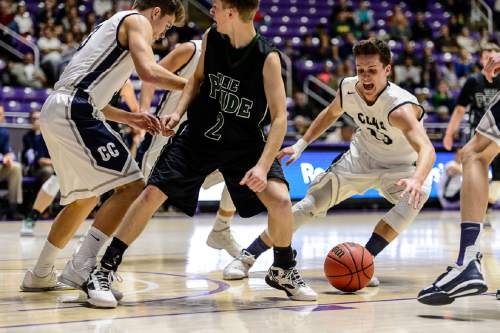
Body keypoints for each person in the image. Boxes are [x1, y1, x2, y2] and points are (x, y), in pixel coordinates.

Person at [85, 0, 317, 308]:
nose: (212, 11)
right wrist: (177, 112)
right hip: (198, 135)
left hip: (244, 144)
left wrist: (262, 167)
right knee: (151, 193)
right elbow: (196, 80)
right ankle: (104, 269)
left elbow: (279, 119)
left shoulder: (267, 58)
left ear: (232, 12)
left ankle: (283, 268)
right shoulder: (211, 37)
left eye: (218, 7)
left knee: (281, 201)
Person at [223, 39, 436, 289]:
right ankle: (247, 256)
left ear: (387, 70)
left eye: (372, 70)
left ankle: (362, 263)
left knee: (414, 199)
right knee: (309, 205)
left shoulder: (399, 107)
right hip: (361, 159)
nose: (365, 77)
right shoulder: (348, 88)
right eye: (360, 70)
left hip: (404, 169)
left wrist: (417, 179)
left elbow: (427, 149)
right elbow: (330, 114)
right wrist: (301, 144)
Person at [20, 0, 187, 299]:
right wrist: (194, 86)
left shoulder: (112, 26)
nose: (163, 34)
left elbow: (92, 94)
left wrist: (130, 116)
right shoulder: (137, 20)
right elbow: (150, 72)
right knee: (134, 187)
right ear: (156, 12)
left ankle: (41, 273)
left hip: (64, 108)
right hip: (74, 109)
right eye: (167, 26)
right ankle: (81, 267)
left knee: (86, 198)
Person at [137, 40, 242, 258]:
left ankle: (222, 228)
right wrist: (144, 110)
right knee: (137, 195)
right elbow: (150, 76)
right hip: (165, 133)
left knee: (241, 170)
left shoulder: (237, 60)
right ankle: (96, 245)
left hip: (199, 138)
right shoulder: (192, 49)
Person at [418, 51, 500, 305]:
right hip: (482, 127)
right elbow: (460, 109)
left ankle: (468, 260)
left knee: (473, 154)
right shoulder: (474, 81)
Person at [19, 79, 141, 237]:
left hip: (107, 134)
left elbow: (135, 109)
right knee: (58, 178)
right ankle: (32, 217)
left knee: (118, 182)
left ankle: (102, 228)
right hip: (83, 129)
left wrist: (137, 126)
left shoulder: (124, 82)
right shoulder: (92, 74)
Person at [442, 44, 500, 225]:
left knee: (498, 179)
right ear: (481, 60)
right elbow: (459, 110)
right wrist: (449, 133)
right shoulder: (473, 81)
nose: (490, 60)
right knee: (475, 171)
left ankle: (486, 208)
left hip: (498, 133)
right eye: (486, 57)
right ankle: (475, 216)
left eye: (493, 57)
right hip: (478, 133)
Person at [0, 104, 23, 220]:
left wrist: (8, 158)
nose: (1, 117)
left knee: (16, 167)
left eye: (1, 114)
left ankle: (13, 207)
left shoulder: (3, 132)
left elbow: (7, 151)